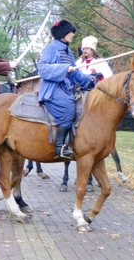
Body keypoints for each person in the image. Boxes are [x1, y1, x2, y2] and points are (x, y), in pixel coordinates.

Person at [37, 20, 100, 161]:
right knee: (68, 110)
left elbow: (75, 74)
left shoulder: (68, 52)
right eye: (71, 32)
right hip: (52, 88)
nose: (72, 34)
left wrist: (89, 79)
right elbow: (42, 68)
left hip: (66, 88)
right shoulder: (51, 48)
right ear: (63, 33)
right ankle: (59, 147)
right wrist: (64, 68)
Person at [59, 36, 112, 192]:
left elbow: (109, 80)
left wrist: (97, 78)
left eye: (88, 49)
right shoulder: (78, 63)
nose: (85, 51)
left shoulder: (101, 63)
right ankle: (68, 140)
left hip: (96, 98)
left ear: (93, 50)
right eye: (84, 49)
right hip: (79, 95)